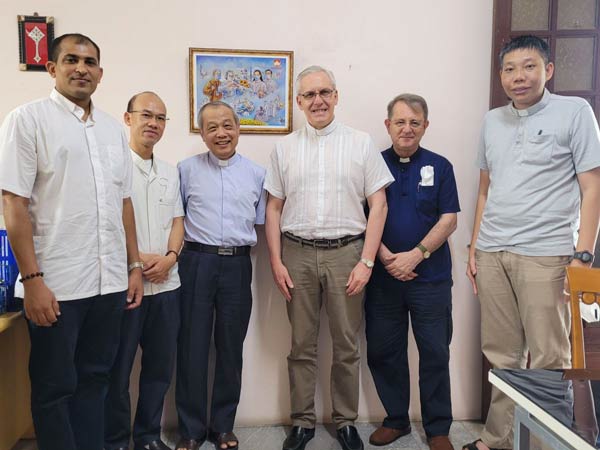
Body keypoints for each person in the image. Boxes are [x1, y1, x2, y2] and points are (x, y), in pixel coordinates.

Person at [0, 33, 143, 450]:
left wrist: (133, 267)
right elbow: (13, 202)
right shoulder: (28, 120)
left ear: (100, 73)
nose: (81, 68)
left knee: (96, 380)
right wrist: (33, 280)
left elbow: (124, 203)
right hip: (56, 285)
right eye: (71, 59)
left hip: (109, 283)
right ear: (52, 68)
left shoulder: (115, 132)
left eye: (90, 61)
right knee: (54, 388)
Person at [464, 35, 600, 450]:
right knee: (502, 355)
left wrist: (583, 255)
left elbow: (592, 188)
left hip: (547, 254)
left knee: (549, 358)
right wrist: (474, 247)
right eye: (509, 69)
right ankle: (497, 438)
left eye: (529, 66)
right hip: (492, 252)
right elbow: (485, 189)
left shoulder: (575, 112)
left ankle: (544, 444)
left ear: (548, 70)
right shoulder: (492, 120)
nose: (518, 77)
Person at [264, 65, 394, 450]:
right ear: (299, 102)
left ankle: (346, 422)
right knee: (301, 344)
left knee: (347, 345)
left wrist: (367, 260)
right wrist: (275, 260)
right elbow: (273, 208)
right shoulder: (284, 147)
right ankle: (302, 422)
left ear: (336, 96)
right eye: (309, 95)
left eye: (324, 92)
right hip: (297, 254)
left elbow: (379, 202)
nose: (317, 100)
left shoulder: (360, 143)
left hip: (347, 254)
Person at [365, 94, 459, 450]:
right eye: (400, 121)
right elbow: (362, 216)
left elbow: (448, 219)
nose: (407, 128)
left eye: (414, 122)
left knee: (435, 352)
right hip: (383, 278)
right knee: (383, 351)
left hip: (430, 279)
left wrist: (416, 256)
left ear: (425, 126)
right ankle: (396, 420)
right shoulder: (371, 164)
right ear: (387, 124)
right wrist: (387, 257)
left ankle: (437, 428)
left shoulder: (441, 165)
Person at [175, 101, 266, 450]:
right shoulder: (185, 170)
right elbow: (177, 221)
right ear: (202, 133)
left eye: (227, 125)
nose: (221, 133)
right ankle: (191, 429)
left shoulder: (258, 174)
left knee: (231, 349)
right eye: (212, 127)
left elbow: (261, 222)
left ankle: (223, 426)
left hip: (238, 266)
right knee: (192, 348)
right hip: (196, 262)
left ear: (238, 128)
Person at [105, 92, 184, 450]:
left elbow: (178, 222)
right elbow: (108, 224)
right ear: (128, 118)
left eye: (161, 118)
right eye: (146, 115)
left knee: (158, 369)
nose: (153, 123)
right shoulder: (112, 168)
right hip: (126, 284)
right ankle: (118, 439)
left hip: (168, 286)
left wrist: (169, 257)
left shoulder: (170, 172)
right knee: (118, 370)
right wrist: (136, 260)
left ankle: (148, 437)